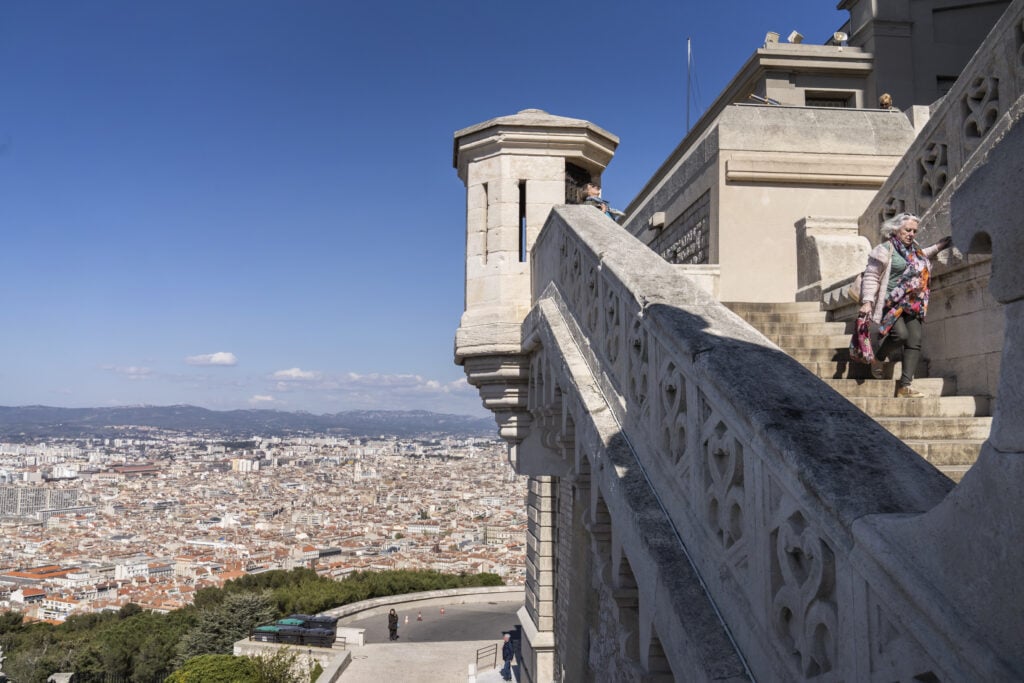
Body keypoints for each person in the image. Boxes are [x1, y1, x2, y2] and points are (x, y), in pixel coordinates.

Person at [858, 212, 952, 397]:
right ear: (896, 230)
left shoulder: (914, 250)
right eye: (907, 230)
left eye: (914, 231)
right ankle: (878, 358)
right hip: (889, 302)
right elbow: (871, 276)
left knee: (914, 340)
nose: (911, 234)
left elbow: (922, 256)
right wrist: (867, 302)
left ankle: (904, 386)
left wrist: (939, 246)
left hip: (912, 302)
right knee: (900, 335)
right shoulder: (884, 249)